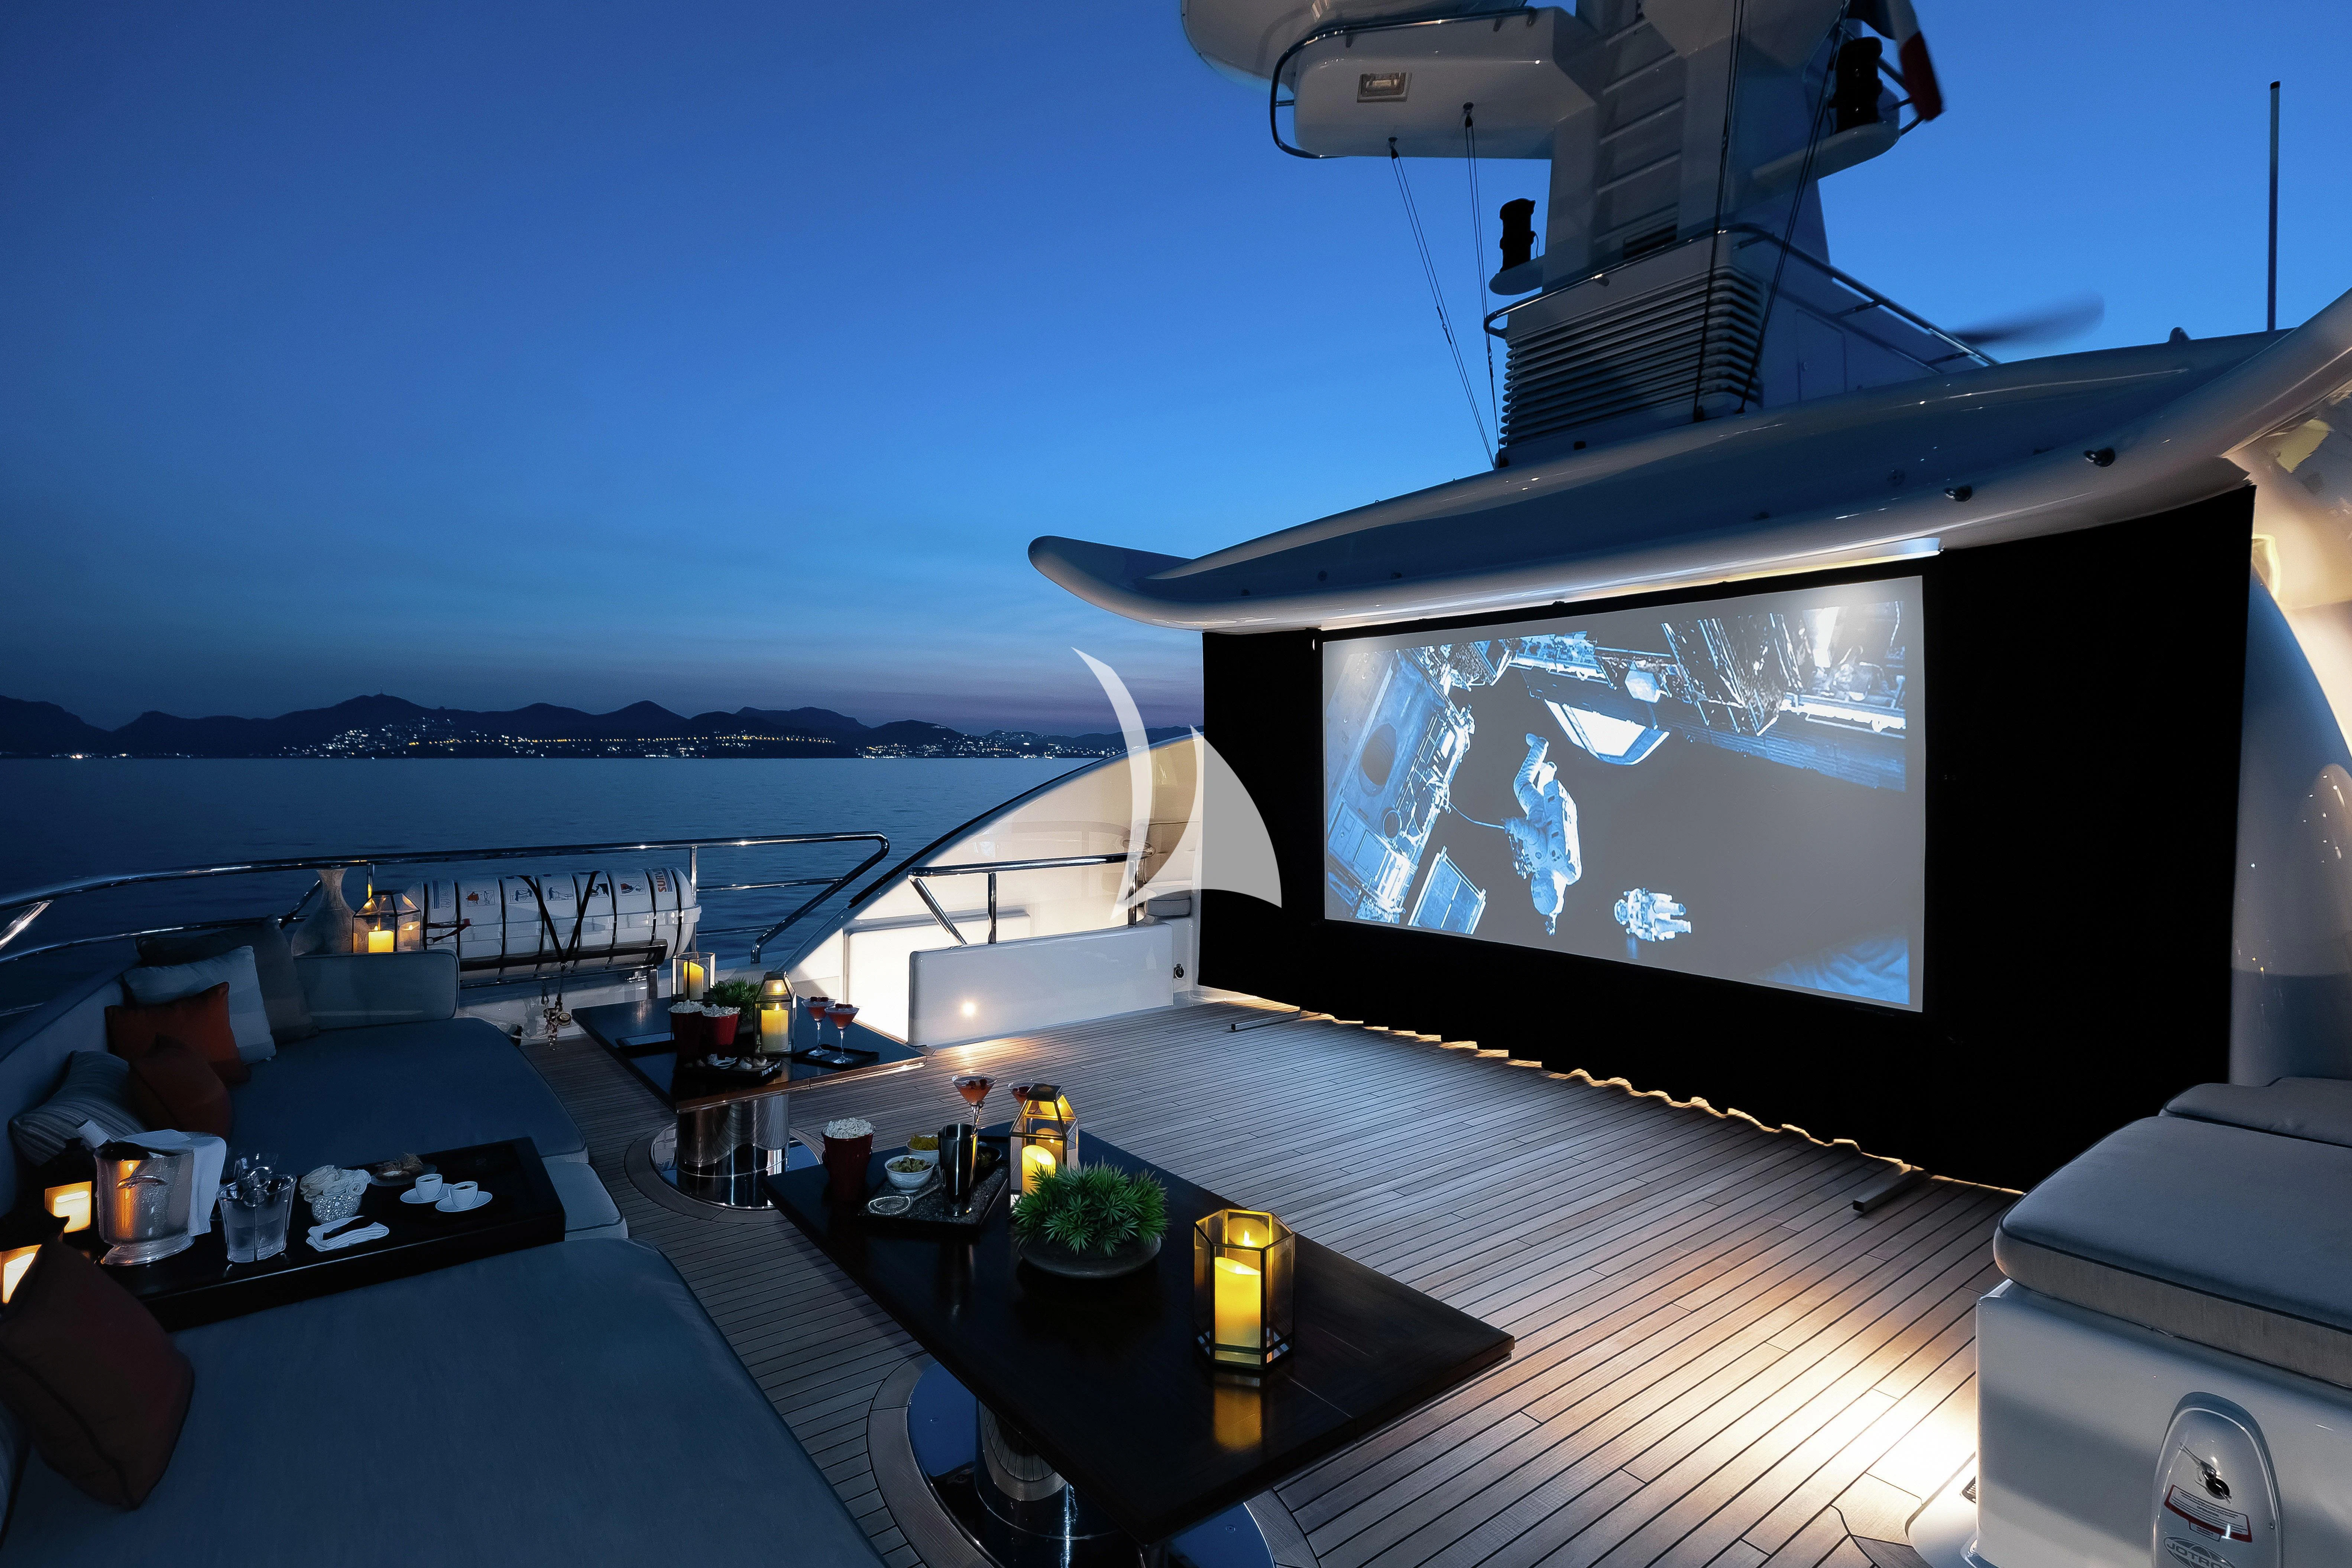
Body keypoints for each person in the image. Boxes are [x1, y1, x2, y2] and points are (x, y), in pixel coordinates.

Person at [1506, 733, 1582, 933]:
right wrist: (1514, 825)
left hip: (1547, 817)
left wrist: (1553, 919)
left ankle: (1548, 770)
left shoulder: (1565, 876)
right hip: (1537, 811)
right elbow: (1532, 835)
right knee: (1521, 785)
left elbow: (1558, 903)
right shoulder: (1542, 861)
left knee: (1542, 789)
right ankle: (1540, 747)